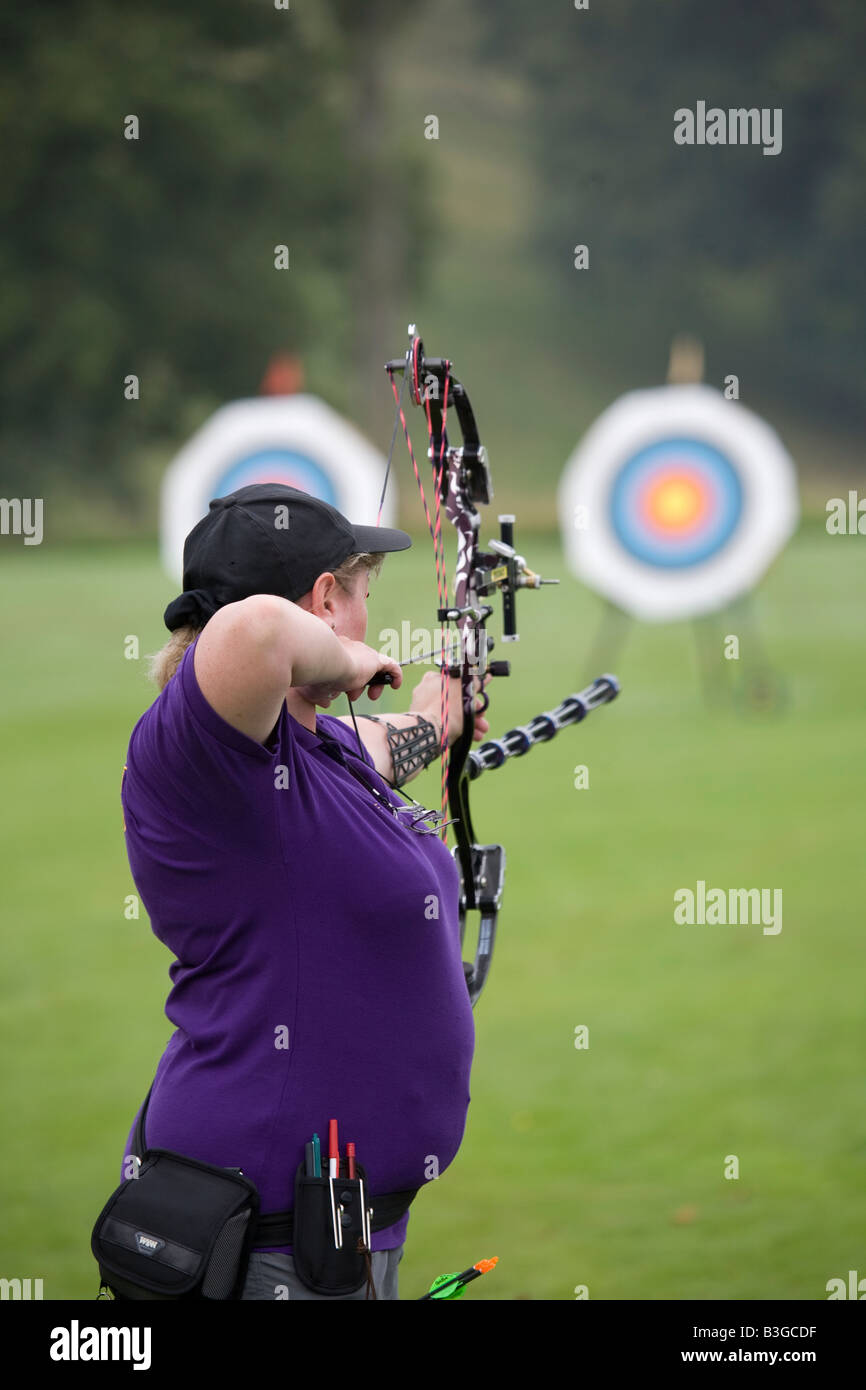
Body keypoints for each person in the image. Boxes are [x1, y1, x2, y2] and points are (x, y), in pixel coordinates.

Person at [118, 483, 489, 1300]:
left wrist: (440, 713)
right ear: (325, 599)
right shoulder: (197, 756)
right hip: (267, 1235)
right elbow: (254, 632)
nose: (365, 623)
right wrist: (355, 658)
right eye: (359, 598)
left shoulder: (315, 745)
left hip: (346, 1225)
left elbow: (379, 743)